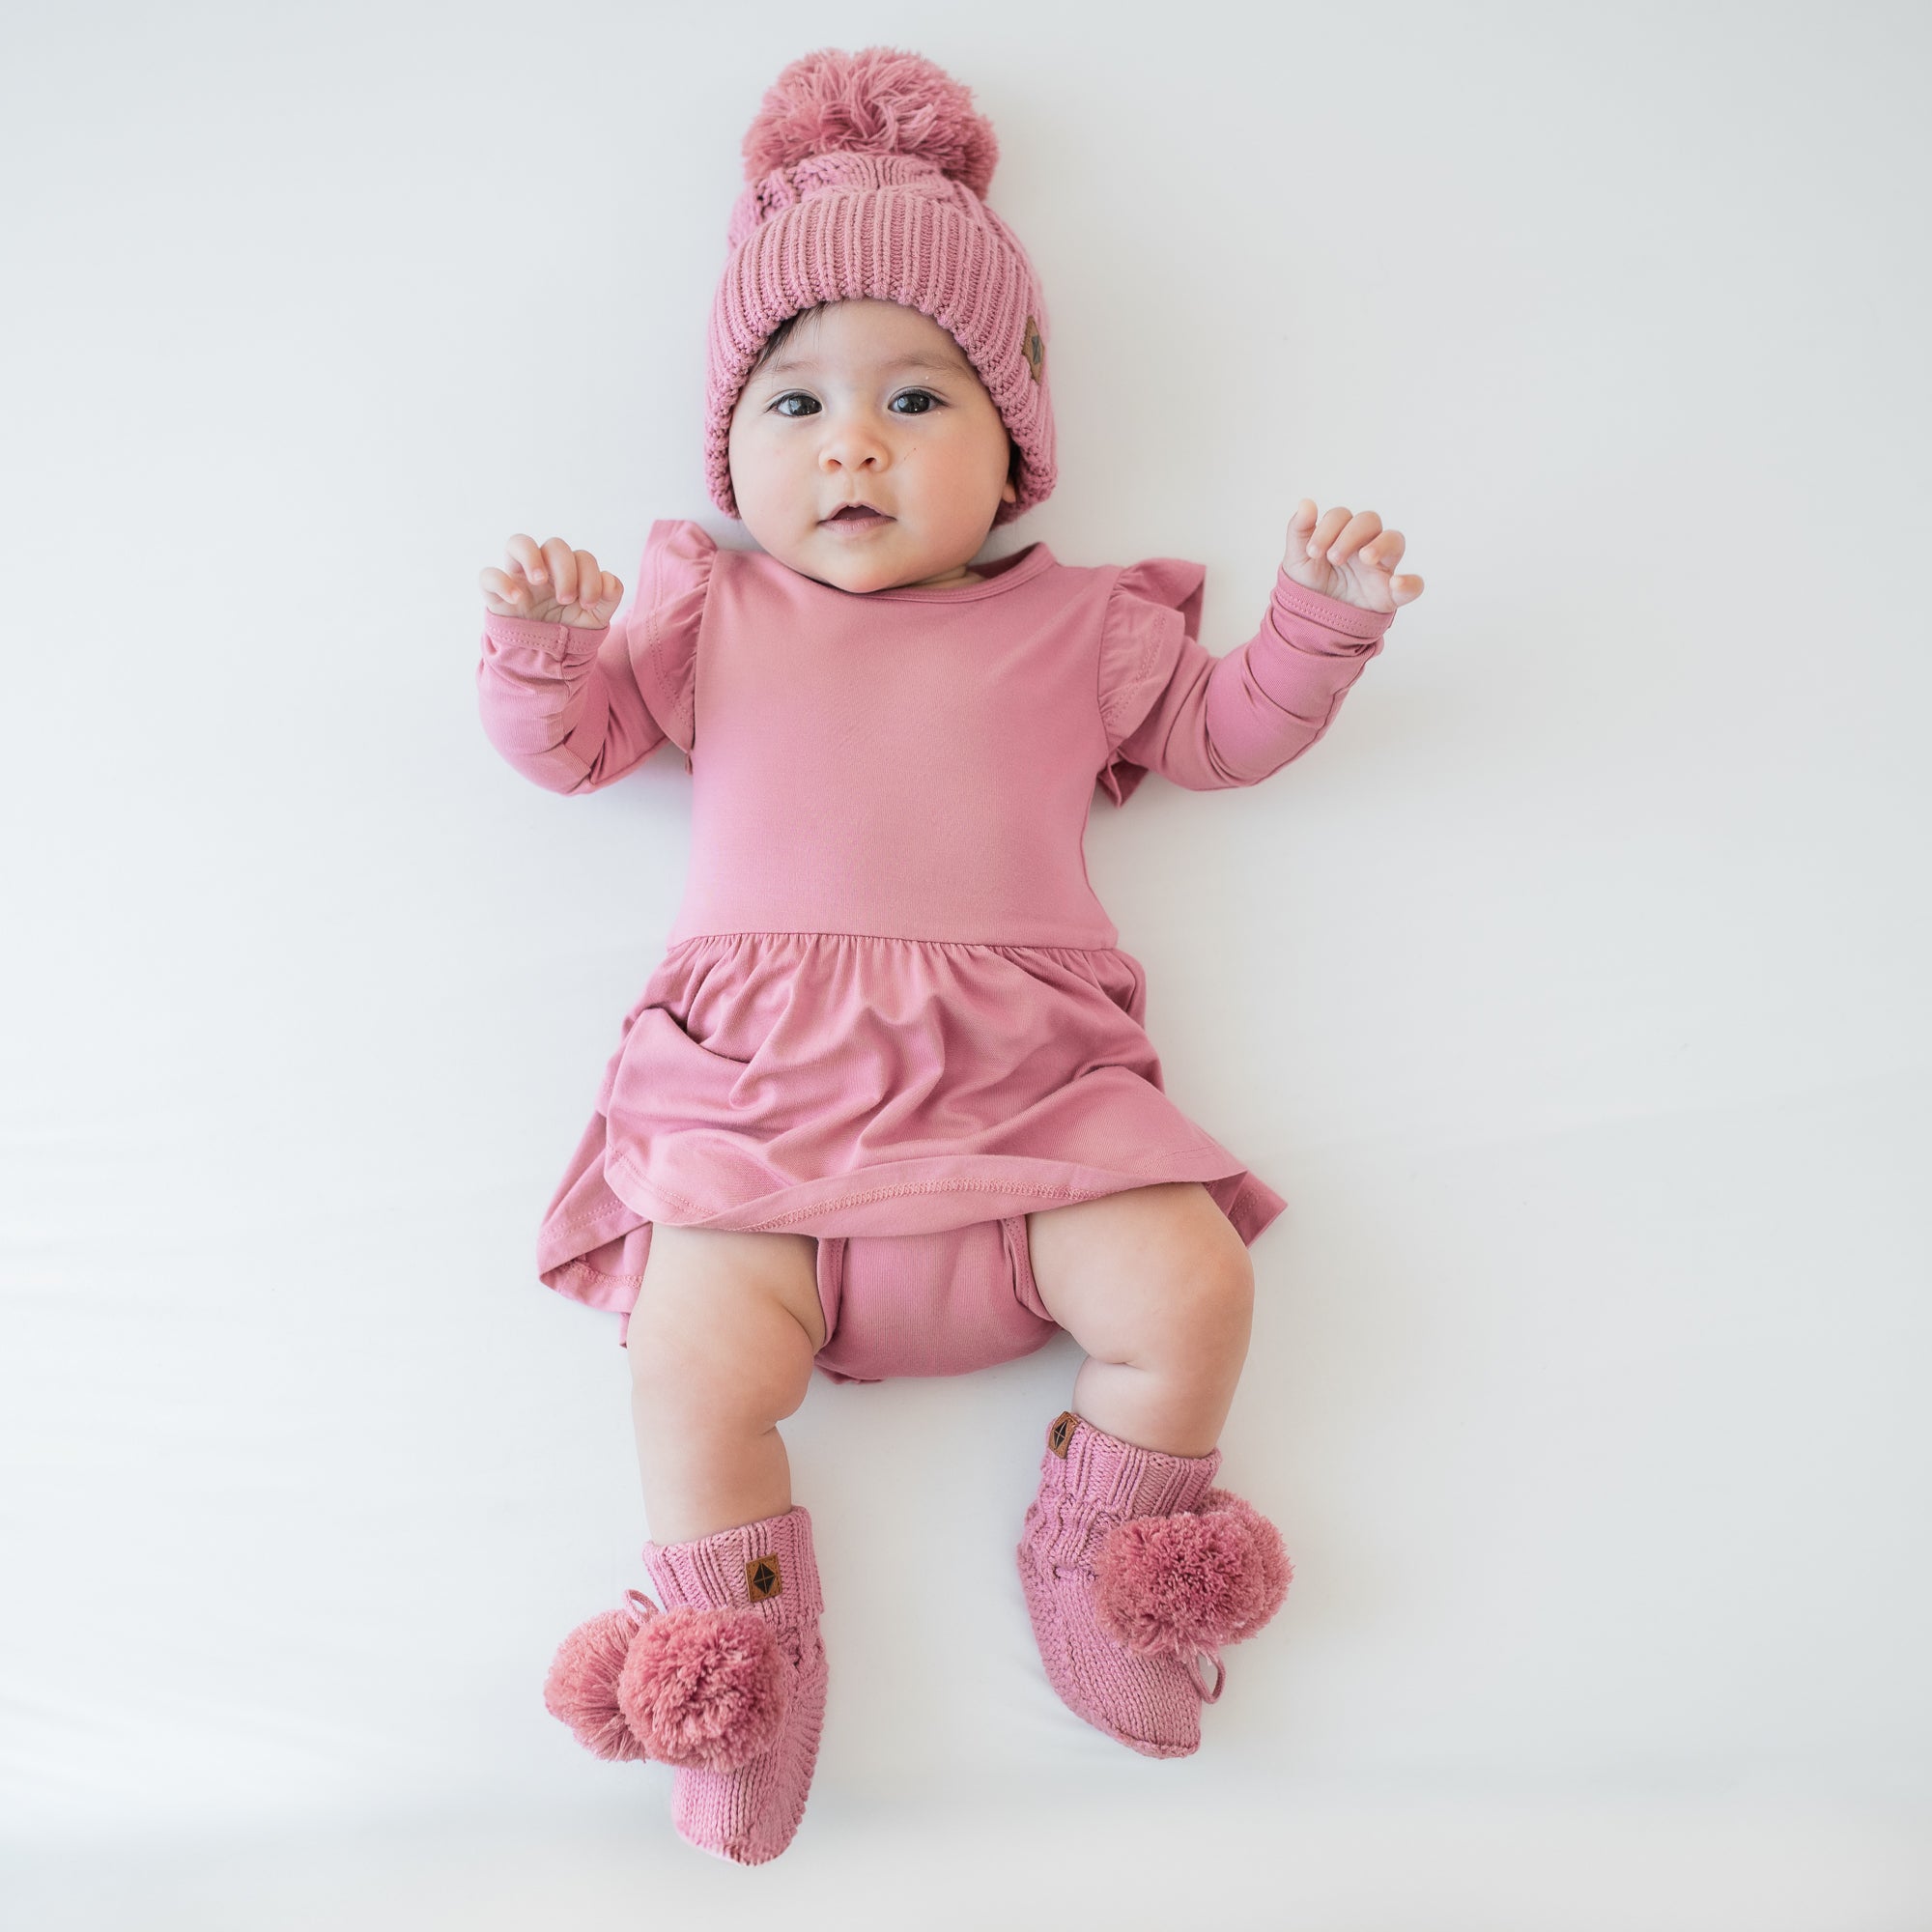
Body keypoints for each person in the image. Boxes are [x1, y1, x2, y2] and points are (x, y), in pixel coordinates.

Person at [475, 45, 1424, 1866]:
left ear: (1012, 452)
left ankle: (1114, 1550)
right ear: (730, 448)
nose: (851, 443)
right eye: (797, 400)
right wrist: (541, 652)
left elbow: (1223, 736)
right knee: (687, 1365)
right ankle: (728, 1652)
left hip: (1030, 1105)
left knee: (1193, 1290)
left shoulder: (1078, 626)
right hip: (761, 1120)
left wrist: (1321, 631)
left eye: (917, 398)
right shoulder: (710, 607)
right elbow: (580, 752)